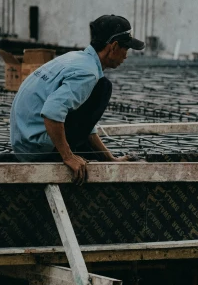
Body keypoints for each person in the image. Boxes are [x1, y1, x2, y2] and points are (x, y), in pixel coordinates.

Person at [9, 15, 145, 183]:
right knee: (103, 88)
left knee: (98, 88)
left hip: (23, 143)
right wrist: (68, 157)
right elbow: (51, 113)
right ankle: (64, 152)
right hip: (35, 147)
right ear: (114, 47)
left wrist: (110, 159)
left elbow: (86, 122)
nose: (126, 55)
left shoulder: (76, 58)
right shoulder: (88, 73)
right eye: (126, 48)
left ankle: (72, 150)